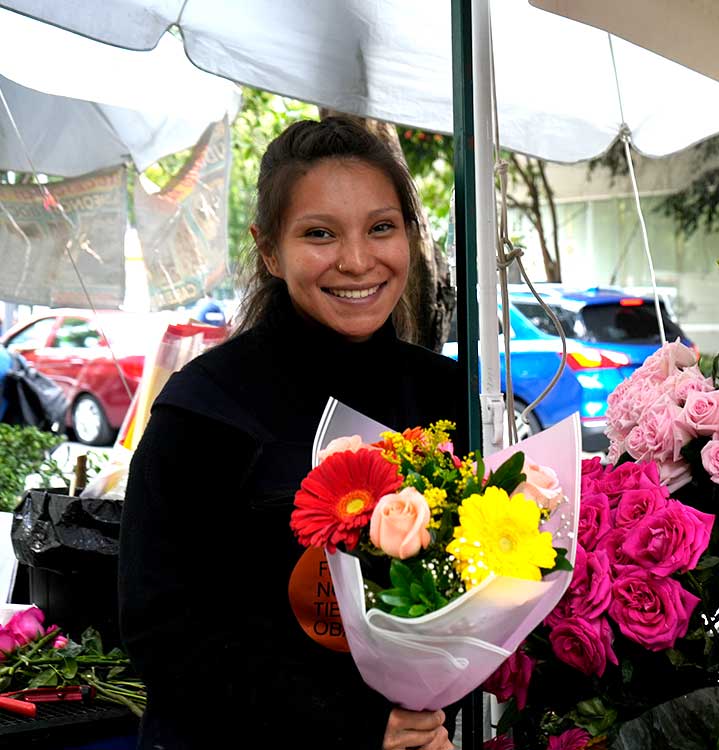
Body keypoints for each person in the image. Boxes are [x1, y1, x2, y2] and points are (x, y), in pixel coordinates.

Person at [119, 118, 464, 750]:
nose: (356, 260)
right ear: (270, 250)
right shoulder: (205, 408)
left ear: (411, 237)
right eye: (319, 234)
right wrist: (354, 724)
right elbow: (161, 632)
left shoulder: (448, 395)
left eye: (381, 227)